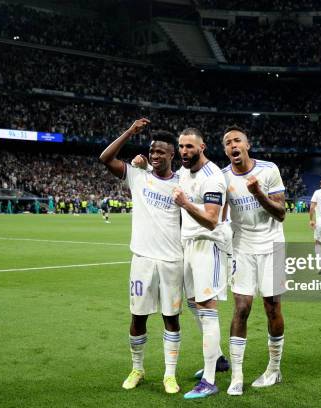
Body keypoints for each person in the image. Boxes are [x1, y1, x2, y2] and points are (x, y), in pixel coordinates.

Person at [99, 118, 184, 394]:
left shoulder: (183, 184)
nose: (155, 155)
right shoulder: (137, 176)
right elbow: (106, 158)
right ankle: (137, 368)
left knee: (171, 318)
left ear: (173, 154)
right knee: (138, 317)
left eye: (161, 151)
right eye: (152, 150)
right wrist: (129, 132)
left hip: (172, 260)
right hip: (143, 260)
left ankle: (169, 375)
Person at [221, 126, 287, 396]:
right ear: (225, 150)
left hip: (273, 245)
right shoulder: (222, 177)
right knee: (242, 307)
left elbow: (281, 213)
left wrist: (258, 192)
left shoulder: (269, 169)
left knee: (272, 307)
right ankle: (237, 374)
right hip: (242, 248)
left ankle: (274, 368)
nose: (233, 145)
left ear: (247, 145)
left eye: (237, 140)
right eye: (227, 143)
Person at [174, 127, 229, 399]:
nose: (184, 151)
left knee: (207, 307)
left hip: (209, 246)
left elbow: (211, 219)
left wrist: (185, 204)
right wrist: (145, 164)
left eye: (189, 147)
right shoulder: (184, 171)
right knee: (193, 304)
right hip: (188, 245)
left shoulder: (213, 177)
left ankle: (209, 381)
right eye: (181, 146)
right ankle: (218, 359)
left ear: (202, 147)